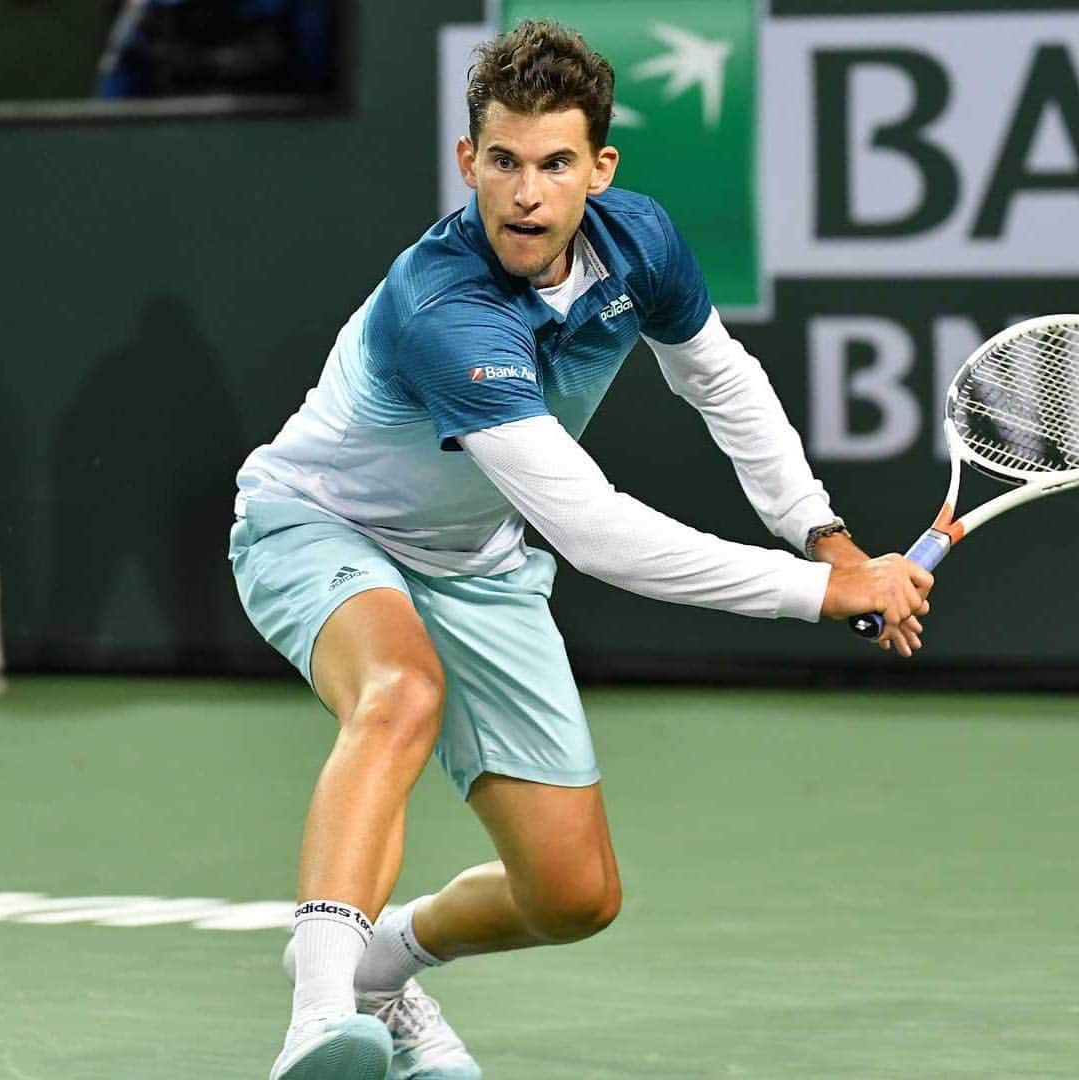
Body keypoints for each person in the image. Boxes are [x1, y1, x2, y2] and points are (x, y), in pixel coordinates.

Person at [228, 18, 933, 1080]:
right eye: (502, 162)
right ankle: (321, 1018)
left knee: (572, 895)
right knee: (401, 691)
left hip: (479, 561)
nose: (525, 193)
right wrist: (817, 595)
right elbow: (594, 529)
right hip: (320, 524)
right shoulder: (444, 307)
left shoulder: (640, 242)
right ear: (468, 160)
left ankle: (381, 968)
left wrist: (824, 536)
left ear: (598, 170)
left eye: (556, 164)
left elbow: (722, 382)